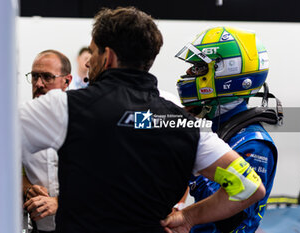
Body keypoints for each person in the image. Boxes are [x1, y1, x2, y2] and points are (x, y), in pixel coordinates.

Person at [20, 7, 266, 233]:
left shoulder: (63, 107)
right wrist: (189, 217)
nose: (87, 61)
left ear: (109, 57)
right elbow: (249, 187)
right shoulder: (184, 123)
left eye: (93, 52)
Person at [175, 26, 279, 232]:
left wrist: (193, 156)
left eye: (197, 68)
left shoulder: (254, 144)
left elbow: (229, 218)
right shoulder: (214, 127)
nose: (188, 74)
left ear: (226, 74)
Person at [22, 49, 72, 233]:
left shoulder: (82, 121)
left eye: (47, 77)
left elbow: (100, 179)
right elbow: (9, 168)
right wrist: (26, 188)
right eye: (34, 76)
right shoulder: (23, 121)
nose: (38, 83)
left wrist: (59, 202)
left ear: (67, 81)